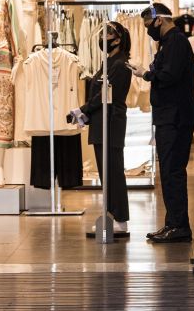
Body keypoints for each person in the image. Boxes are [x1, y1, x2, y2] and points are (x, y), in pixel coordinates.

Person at [131, 3, 194, 243]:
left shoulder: (176, 42)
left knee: (173, 172)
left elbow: (169, 76)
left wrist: (146, 74)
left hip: (176, 118)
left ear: (160, 20)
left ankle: (178, 226)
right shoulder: (169, 43)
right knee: (169, 172)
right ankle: (173, 223)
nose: (148, 30)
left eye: (149, 25)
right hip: (169, 117)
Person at [70, 22, 132, 232]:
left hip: (111, 123)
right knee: (106, 172)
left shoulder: (120, 64)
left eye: (108, 34)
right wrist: (86, 114)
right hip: (100, 123)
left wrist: (83, 110)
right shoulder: (109, 62)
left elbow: (106, 96)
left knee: (113, 171)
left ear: (118, 39)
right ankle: (111, 213)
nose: (103, 38)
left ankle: (120, 218)